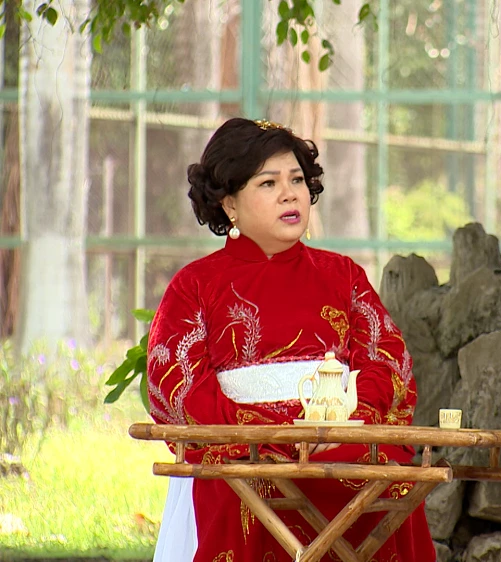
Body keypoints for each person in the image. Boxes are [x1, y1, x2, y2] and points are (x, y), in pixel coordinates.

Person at [146, 117, 435, 562]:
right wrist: (271, 437)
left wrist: (342, 424)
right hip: (245, 454)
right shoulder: (195, 285)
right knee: (253, 486)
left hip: (342, 441)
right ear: (229, 203)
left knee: (388, 480)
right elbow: (179, 386)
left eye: (297, 179)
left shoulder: (343, 275)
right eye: (269, 183)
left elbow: (387, 363)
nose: (290, 193)